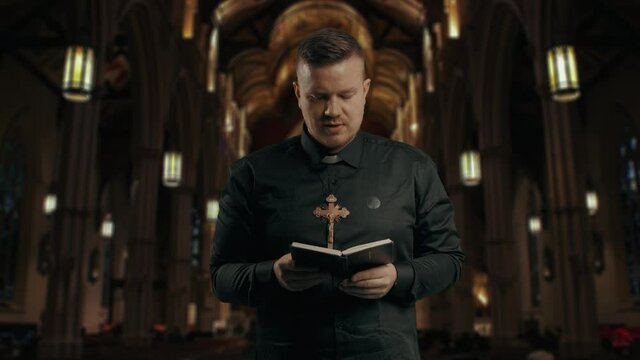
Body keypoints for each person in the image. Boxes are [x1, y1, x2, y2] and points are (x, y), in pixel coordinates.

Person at [210, 27, 464, 359]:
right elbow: (222, 276)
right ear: (299, 93)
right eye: (318, 96)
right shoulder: (251, 174)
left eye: (345, 95)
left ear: (365, 90)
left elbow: (450, 260)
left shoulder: (412, 168)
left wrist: (399, 276)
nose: (332, 111)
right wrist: (271, 274)